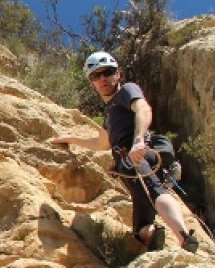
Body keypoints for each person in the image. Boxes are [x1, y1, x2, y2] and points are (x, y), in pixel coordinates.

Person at [49, 51, 199, 253]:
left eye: (107, 72)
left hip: (133, 154)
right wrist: (70, 140)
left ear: (117, 74)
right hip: (128, 159)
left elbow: (143, 109)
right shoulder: (110, 112)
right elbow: (102, 143)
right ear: (91, 82)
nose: (103, 79)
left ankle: (184, 237)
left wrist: (138, 141)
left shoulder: (126, 91)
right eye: (96, 75)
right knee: (141, 213)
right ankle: (150, 233)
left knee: (154, 190)